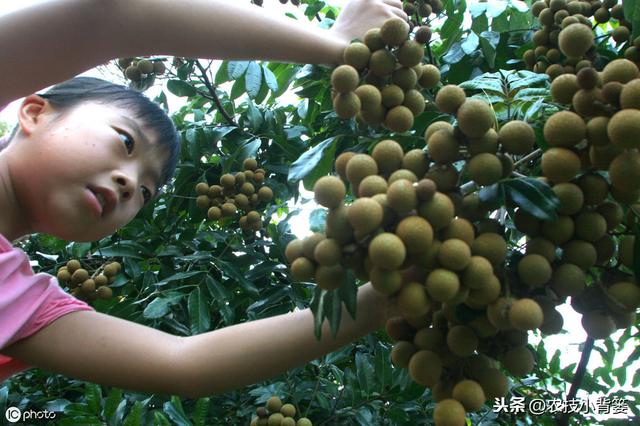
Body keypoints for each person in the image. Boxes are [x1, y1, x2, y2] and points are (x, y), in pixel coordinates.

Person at [0, 0, 407, 398]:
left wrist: (383, 298)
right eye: (125, 141)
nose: (129, 184)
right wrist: (337, 45)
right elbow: (112, 14)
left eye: (145, 192)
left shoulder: (17, 299)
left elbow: (183, 364)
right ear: (35, 112)